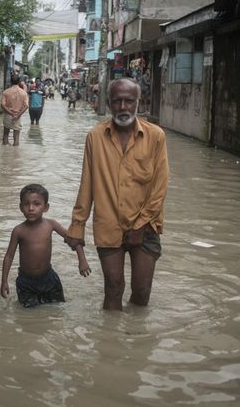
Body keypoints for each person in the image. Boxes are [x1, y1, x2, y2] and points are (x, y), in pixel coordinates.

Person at [65, 78, 169, 311]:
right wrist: (77, 226)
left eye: (129, 101)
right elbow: (87, 185)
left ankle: (135, 338)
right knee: (113, 287)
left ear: (138, 103)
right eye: (117, 101)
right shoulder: (95, 136)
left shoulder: (156, 136)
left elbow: (160, 187)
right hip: (108, 223)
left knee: (142, 292)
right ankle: (109, 343)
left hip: (146, 226)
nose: (123, 107)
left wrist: (140, 226)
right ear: (109, 103)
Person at [1, 184, 91, 308]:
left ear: (46, 207)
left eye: (36, 204)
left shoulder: (51, 225)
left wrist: (82, 260)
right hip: (26, 282)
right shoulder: (19, 231)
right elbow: (9, 257)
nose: (31, 208)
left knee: (57, 309)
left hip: (48, 278)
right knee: (29, 315)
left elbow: (72, 239)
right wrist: (4, 281)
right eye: (26, 204)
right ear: (21, 207)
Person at [1, 74, 29, 146]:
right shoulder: (23, 93)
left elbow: (3, 105)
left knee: (5, 135)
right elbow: (26, 106)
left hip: (8, 115)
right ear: (19, 81)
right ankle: (15, 154)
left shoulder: (6, 92)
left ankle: (4, 153)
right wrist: (17, 115)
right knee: (16, 137)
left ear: (10, 81)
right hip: (18, 116)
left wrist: (11, 113)